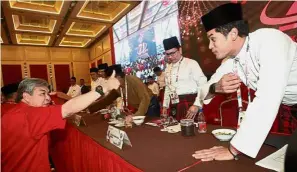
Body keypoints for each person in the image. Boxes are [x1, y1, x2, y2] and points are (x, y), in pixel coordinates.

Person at [192, 3, 297, 161]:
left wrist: (233, 150)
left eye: (213, 39)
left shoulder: (270, 40)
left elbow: (267, 98)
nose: (210, 46)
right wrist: (215, 87)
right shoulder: (233, 61)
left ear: (233, 34)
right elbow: (205, 89)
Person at [1, 77, 119, 171]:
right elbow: (68, 109)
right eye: (42, 94)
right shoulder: (30, 115)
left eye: (48, 94)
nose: (47, 98)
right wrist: (102, 88)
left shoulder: (16, 112)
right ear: (26, 96)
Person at [161, 36, 207, 121]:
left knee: (191, 131)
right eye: (168, 54)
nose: (170, 57)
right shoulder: (168, 68)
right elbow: (168, 88)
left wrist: (197, 104)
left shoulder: (191, 63)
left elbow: (203, 84)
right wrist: (165, 106)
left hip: (190, 104)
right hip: (174, 105)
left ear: (180, 50)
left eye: (173, 53)